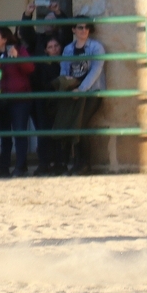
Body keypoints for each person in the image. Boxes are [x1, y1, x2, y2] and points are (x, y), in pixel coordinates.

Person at [0, 27, 34, 177]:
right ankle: (3, 168)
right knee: (5, 135)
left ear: (5, 38)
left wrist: (17, 58)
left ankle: (20, 167)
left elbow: (30, 68)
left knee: (19, 132)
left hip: (19, 98)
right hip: (1, 100)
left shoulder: (19, 49)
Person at [55, 17, 106, 175]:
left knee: (80, 125)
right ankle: (77, 163)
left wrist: (81, 89)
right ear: (73, 30)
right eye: (80, 27)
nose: (83, 30)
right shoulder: (68, 49)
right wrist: (67, 86)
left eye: (86, 28)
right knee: (73, 126)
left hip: (91, 92)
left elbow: (96, 71)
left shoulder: (96, 47)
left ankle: (84, 164)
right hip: (73, 92)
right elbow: (64, 70)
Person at [30, 37, 64, 176]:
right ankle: (44, 163)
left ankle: (59, 163)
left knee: (59, 132)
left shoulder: (65, 62)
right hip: (43, 102)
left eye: (56, 46)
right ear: (45, 50)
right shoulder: (41, 64)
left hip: (59, 101)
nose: (54, 49)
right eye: (50, 47)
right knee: (44, 132)